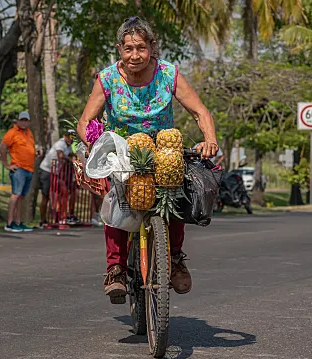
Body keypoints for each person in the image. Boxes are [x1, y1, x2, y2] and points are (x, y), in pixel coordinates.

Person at [77, 17, 219, 304]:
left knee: (177, 192)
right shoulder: (107, 79)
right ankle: (115, 268)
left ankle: (175, 258)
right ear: (119, 49)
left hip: (162, 149)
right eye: (128, 48)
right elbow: (85, 121)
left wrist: (210, 139)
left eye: (140, 48)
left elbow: (199, 112)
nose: (134, 55)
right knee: (116, 199)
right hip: (122, 152)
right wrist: (96, 142)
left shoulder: (168, 74)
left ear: (152, 47)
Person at [0, 111, 40, 233]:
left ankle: (18, 222)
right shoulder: (12, 133)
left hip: (29, 169)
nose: (23, 122)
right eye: (21, 120)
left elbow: (30, 148)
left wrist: (36, 153)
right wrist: (6, 164)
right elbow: (3, 146)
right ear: (17, 121)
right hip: (18, 169)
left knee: (21, 197)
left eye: (26, 120)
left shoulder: (29, 133)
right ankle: (10, 223)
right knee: (15, 195)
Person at [38, 129, 77, 228]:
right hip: (46, 171)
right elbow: (60, 155)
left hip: (55, 172)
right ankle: (42, 220)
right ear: (65, 136)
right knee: (46, 196)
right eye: (69, 137)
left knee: (61, 192)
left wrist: (75, 158)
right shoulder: (61, 143)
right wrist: (71, 161)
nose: (71, 139)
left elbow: (71, 154)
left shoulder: (68, 147)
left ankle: (59, 217)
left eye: (73, 137)